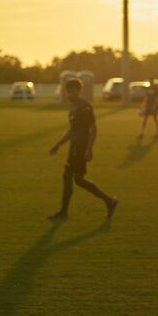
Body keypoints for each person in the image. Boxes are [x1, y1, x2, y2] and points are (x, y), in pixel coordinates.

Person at [48, 77, 118, 220]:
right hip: (74, 147)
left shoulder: (84, 107)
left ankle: (64, 212)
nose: (69, 95)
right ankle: (110, 201)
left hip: (80, 148)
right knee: (78, 180)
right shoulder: (73, 107)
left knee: (68, 175)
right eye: (67, 92)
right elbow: (71, 130)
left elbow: (93, 128)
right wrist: (58, 144)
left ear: (79, 91)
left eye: (72, 92)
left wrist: (89, 149)